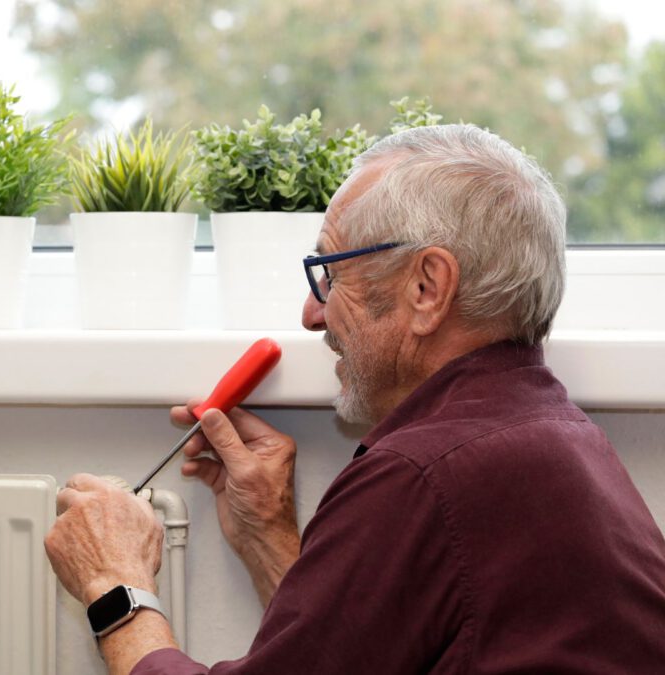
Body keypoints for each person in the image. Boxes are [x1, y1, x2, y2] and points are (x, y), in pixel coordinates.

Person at [46, 124, 665, 674]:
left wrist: (116, 587)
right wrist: (268, 534)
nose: (312, 314)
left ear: (427, 287)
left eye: (331, 274)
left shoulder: (424, 473)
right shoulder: (554, 438)